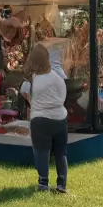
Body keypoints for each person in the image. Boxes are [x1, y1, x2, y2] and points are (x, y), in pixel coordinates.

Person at [20, 44, 69, 193]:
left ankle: (43, 183)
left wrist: (32, 102)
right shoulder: (56, 77)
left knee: (41, 151)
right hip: (59, 118)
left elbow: (23, 91)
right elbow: (63, 95)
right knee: (61, 153)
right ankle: (61, 183)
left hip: (39, 119)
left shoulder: (31, 78)